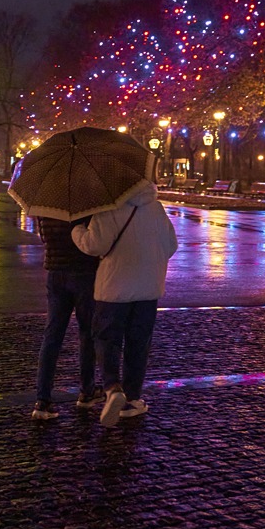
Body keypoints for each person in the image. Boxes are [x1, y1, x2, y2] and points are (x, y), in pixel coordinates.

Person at [72, 183, 178, 427]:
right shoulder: (156, 208)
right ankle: (132, 399)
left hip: (113, 289)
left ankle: (111, 387)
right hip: (148, 289)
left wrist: (77, 231)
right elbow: (170, 246)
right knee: (138, 343)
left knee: (105, 338)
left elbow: (94, 245)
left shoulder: (107, 209)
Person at [31, 215, 102, 420]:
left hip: (55, 273)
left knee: (52, 335)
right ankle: (87, 392)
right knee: (87, 333)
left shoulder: (46, 205)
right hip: (85, 273)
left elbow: (44, 238)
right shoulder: (86, 205)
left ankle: (43, 400)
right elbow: (93, 241)